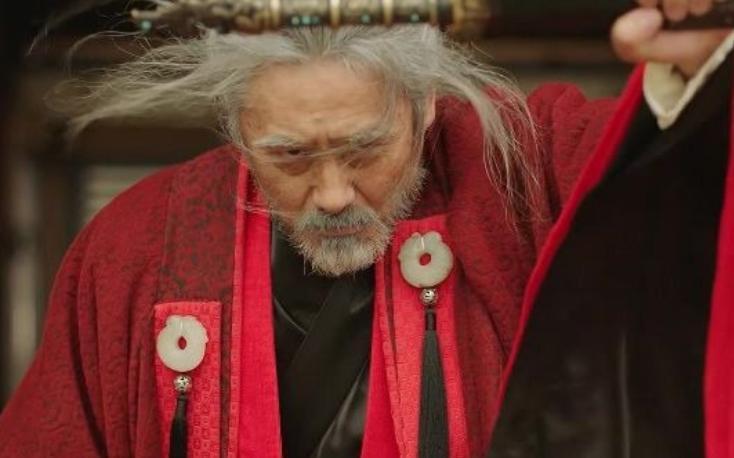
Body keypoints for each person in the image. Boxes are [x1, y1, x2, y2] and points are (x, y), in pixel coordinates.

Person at [0, 1, 729, 457]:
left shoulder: (520, 169)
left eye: (365, 149)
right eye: (289, 156)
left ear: (425, 105)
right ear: (237, 126)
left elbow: (673, 185)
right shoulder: (132, 250)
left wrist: (705, 81)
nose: (333, 194)